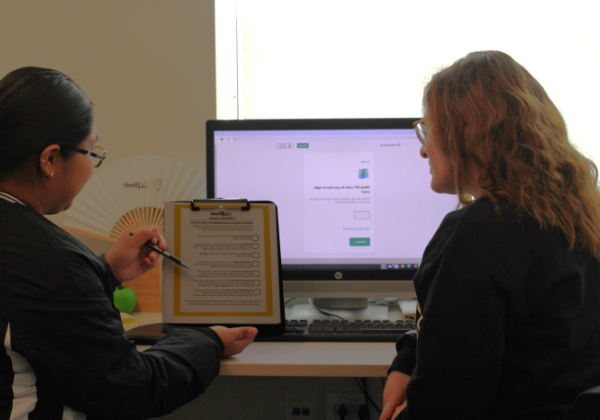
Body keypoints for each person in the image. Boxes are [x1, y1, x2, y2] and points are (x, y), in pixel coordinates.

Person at [0, 67, 257, 419]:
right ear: (50, 160)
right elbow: (134, 390)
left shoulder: (21, 245)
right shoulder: (47, 259)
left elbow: (32, 313)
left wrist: (103, 271)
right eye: (92, 154)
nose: (93, 167)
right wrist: (207, 340)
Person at [380, 51, 600, 420]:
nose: (422, 149)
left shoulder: (477, 234)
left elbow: (445, 404)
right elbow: (478, 335)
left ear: (464, 136)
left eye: (428, 129)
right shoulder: (577, 218)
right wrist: (408, 358)